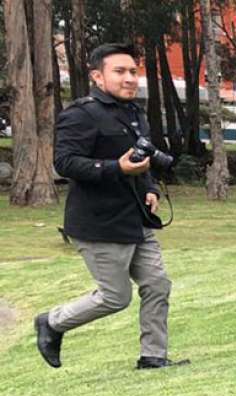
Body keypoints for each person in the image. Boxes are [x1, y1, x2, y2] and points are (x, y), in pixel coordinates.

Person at [35, 43, 185, 370]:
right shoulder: (80, 114)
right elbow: (65, 163)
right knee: (116, 297)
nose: (129, 78)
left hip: (136, 219)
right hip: (99, 224)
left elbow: (138, 157)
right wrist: (116, 168)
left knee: (158, 284)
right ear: (98, 76)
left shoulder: (134, 112)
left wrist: (149, 188)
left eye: (133, 71)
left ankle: (153, 357)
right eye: (120, 71)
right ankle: (52, 322)